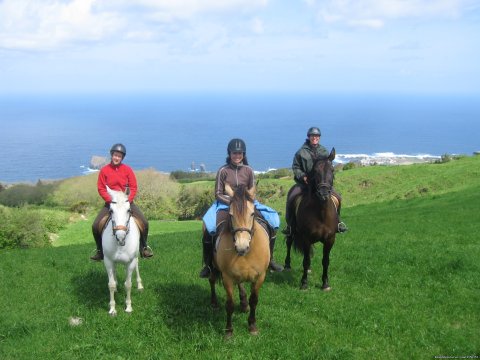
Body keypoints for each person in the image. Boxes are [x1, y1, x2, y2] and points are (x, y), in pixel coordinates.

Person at [199, 138, 284, 278]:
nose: (237, 156)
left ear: (243, 154)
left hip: (247, 204)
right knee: (209, 226)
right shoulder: (223, 170)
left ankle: (270, 259)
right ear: (229, 154)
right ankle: (209, 265)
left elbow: (252, 191)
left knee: (273, 220)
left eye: (240, 153)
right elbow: (218, 193)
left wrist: (245, 202)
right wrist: (233, 202)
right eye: (234, 153)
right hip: (225, 204)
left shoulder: (249, 170)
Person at [90, 143, 153, 261]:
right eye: (115, 155)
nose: (116, 158)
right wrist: (111, 200)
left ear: (122, 158)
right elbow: (101, 188)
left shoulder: (128, 170)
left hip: (126, 203)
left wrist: (127, 201)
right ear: (111, 155)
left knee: (144, 222)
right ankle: (100, 251)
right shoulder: (104, 170)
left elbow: (133, 187)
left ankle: (144, 248)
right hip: (111, 203)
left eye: (119, 156)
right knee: (95, 225)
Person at [283, 127, 348, 236]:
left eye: (317, 136)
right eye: (313, 136)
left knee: (338, 197)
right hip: (305, 184)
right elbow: (295, 167)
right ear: (309, 137)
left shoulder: (324, 151)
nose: (315, 138)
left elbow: (328, 166)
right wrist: (302, 176)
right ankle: (290, 226)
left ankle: (338, 222)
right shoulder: (301, 152)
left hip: (321, 184)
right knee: (292, 197)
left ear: (319, 138)